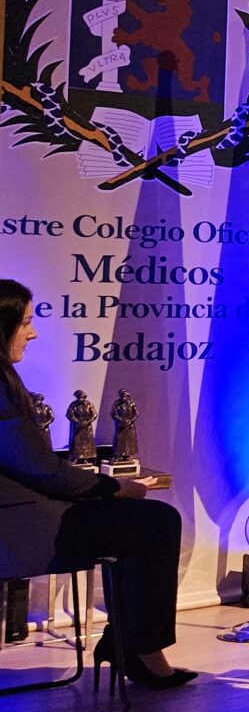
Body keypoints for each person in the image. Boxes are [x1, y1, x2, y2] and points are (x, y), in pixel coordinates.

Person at [0, 279, 195, 690]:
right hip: (17, 530)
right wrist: (114, 488)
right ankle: (138, 651)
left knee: (139, 521)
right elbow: (44, 472)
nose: (33, 333)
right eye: (25, 323)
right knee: (156, 521)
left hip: (24, 513)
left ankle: (129, 644)